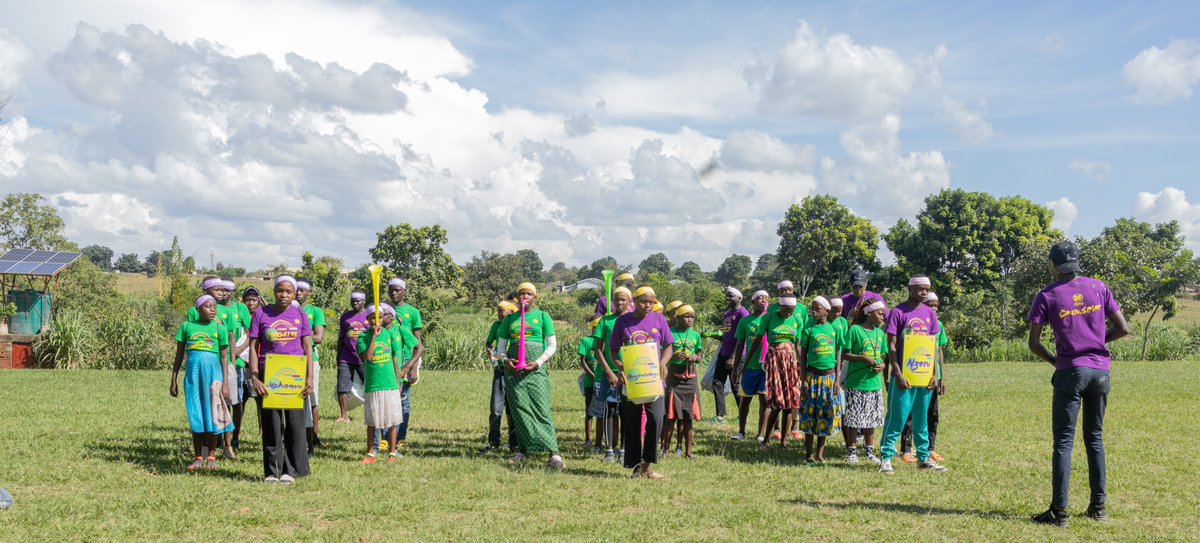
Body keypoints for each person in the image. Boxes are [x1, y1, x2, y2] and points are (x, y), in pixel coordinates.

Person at [1028, 241, 1129, 528]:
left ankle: (1059, 513)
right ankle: (1098, 507)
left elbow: (1034, 344)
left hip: (1070, 372)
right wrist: (1096, 344)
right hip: (1101, 373)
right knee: (1094, 438)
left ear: (1052, 265)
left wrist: (1057, 361)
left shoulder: (1047, 295)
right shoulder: (1099, 287)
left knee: (1063, 442)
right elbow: (1123, 328)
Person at [248, 276, 314, 484]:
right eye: (280, 291)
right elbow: (252, 347)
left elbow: (307, 347)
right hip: (269, 374)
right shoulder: (261, 314)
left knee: (295, 424)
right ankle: (272, 471)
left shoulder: (299, 314)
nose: (284, 295)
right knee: (272, 423)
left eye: (288, 291)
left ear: (294, 294)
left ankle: (292, 470)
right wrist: (255, 377)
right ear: (274, 291)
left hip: (294, 375)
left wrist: (309, 377)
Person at [878, 275, 946, 475]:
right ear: (910, 289)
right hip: (904, 376)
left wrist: (935, 374)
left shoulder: (929, 314)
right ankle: (886, 457)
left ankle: (923, 457)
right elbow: (891, 346)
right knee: (897, 417)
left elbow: (933, 345)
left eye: (926, 289)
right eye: (919, 289)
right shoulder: (898, 312)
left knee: (921, 418)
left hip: (923, 376)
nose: (923, 292)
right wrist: (897, 373)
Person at [494, 283, 565, 469]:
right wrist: (505, 361)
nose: (525, 296)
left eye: (529, 293)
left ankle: (554, 452)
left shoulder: (542, 316)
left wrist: (538, 362)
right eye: (521, 293)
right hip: (514, 373)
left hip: (536, 371)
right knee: (520, 411)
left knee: (541, 410)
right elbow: (501, 347)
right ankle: (524, 450)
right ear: (517, 297)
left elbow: (552, 345)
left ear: (535, 297)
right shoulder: (510, 320)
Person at [608, 286, 674, 479]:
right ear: (634, 301)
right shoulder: (623, 321)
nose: (647, 305)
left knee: (655, 420)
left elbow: (669, 345)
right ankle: (636, 467)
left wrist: (663, 363)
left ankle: (647, 466)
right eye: (643, 301)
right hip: (631, 380)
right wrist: (620, 368)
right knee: (632, 423)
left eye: (651, 302)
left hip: (654, 380)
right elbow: (613, 350)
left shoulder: (659, 319)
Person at [170, 295, 233, 471]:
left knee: (212, 413)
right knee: (195, 413)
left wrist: (225, 383)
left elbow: (223, 357)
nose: (213, 310)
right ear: (197, 310)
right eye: (208, 306)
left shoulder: (220, 328)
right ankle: (198, 456)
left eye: (214, 307)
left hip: (213, 376)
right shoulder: (186, 327)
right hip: (193, 377)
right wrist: (173, 380)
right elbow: (179, 356)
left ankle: (212, 456)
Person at [185, 277, 239, 459]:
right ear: (205, 291)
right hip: (202, 367)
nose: (221, 292)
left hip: (223, 365)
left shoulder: (226, 312)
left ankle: (228, 445)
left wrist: (232, 360)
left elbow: (230, 338)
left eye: (223, 290)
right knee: (205, 405)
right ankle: (208, 448)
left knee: (225, 405)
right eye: (217, 289)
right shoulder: (195, 312)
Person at [357, 306, 412, 464]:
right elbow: (368, 357)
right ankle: (370, 453)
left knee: (393, 419)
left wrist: (397, 380)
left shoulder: (389, 334)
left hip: (390, 383)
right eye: (373, 318)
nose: (376, 321)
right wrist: (373, 338)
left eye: (380, 317)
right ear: (367, 320)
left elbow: (394, 357)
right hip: (373, 384)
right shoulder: (363, 337)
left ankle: (392, 453)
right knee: (372, 420)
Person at [900, 292, 948, 463]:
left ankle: (930, 449)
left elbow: (939, 350)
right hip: (915, 374)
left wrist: (941, 377)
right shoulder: (913, 322)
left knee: (931, 414)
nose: (934, 308)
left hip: (932, 377)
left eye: (936, 305)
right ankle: (906, 449)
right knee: (910, 413)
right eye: (931, 304)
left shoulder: (939, 325)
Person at [839, 299, 888, 465]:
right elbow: (845, 354)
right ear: (869, 312)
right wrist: (863, 359)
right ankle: (852, 451)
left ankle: (869, 451)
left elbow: (883, 358)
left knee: (871, 419)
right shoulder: (854, 330)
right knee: (853, 418)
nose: (883, 316)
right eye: (880, 313)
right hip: (856, 383)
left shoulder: (880, 334)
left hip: (874, 384)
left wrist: (881, 365)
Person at [755, 293, 805, 450]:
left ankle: (784, 441)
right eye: (786, 310)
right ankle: (766, 441)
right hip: (775, 361)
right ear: (780, 306)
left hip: (790, 363)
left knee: (790, 403)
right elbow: (757, 339)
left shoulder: (797, 320)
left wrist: (802, 368)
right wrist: (744, 364)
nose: (788, 314)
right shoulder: (768, 318)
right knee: (776, 403)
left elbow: (798, 345)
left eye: (791, 311)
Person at [798, 296, 843, 464]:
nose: (813, 311)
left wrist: (837, 379)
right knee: (810, 414)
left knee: (826, 413)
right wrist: (803, 380)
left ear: (826, 311)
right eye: (812, 308)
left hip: (829, 378)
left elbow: (838, 355)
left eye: (817, 308)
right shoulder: (808, 330)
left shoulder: (834, 330)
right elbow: (803, 357)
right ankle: (809, 454)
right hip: (812, 378)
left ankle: (820, 454)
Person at [591, 287, 632, 463]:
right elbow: (597, 350)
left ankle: (623, 450)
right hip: (610, 375)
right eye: (617, 300)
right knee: (610, 411)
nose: (620, 302)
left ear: (629, 301)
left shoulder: (632, 321)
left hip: (630, 374)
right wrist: (609, 372)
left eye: (623, 299)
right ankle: (609, 450)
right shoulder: (605, 321)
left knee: (626, 412)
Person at [662, 304, 702, 460]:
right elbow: (662, 354)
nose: (690, 319)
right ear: (677, 318)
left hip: (690, 379)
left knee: (688, 416)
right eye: (686, 316)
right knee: (670, 416)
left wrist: (695, 358)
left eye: (692, 317)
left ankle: (688, 452)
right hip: (674, 378)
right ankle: (665, 450)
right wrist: (673, 357)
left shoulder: (695, 335)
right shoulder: (669, 333)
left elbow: (699, 354)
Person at [387, 278, 423, 450]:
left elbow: (417, 340)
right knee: (389, 398)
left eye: (397, 290)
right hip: (387, 360)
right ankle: (387, 436)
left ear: (403, 291)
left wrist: (413, 367)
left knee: (403, 400)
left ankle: (401, 436)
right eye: (391, 290)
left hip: (407, 361)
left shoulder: (413, 312)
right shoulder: (385, 310)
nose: (394, 293)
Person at [732, 290, 769, 443]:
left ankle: (760, 434)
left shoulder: (770, 320)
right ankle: (741, 431)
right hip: (749, 367)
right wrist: (736, 368)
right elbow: (740, 345)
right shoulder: (745, 322)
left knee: (764, 401)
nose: (764, 301)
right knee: (744, 400)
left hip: (766, 368)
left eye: (766, 299)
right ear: (753, 302)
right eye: (760, 298)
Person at [482, 301, 518, 453]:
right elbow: (489, 342)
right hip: (500, 369)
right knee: (496, 408)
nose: (498, 314)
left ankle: (514, 443)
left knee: (513, 409)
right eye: (498, 312)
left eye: (501, 311)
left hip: (515, 370)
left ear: (510, 312)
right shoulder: (496, 326)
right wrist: (490, 353)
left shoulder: (516, 325)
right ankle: (493, 442)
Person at [296, 279, 327, 453]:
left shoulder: (315, 311)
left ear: (308, 292)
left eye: (302, 290)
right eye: (296, 290)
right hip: (290, 360)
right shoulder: (289, 309)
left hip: (310, 359)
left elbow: (319, 337)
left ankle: (313, 436)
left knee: (312, 399)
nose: (299, 293)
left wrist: (296, 337)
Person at [712, 287, 749, 425]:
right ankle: (720, 416)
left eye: (731, 296)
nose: (727, 298)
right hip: (723, 353)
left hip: (736, 356)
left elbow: (742, 338)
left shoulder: (743, 313)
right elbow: (726, 336)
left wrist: (733, 357)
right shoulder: (727, 314)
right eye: (726, 295)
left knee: (735, 384)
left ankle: (743, 415)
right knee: (717, 382)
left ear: (739, 298)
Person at [237, 286, 265, 446]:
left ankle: (262, 430)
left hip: (258, 362)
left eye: (254, 300)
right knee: (241, 399)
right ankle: (237, 431)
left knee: (260, 400)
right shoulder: (241, 316)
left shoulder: (262, 315)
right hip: (243, 363)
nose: (251, 303)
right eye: (247, 300)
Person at [335, 291, 368, 422]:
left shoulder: (369, 315)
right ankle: (344, 415)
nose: (355, 303)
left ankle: (369, 412)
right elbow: (341, 338)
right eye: (353, 301)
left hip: (363, 358)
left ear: (364, 301)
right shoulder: (346, 317)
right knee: (342, 386)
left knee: (369, 385)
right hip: (346, 357)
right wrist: (338, 357)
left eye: (358, 301)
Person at [577, 316, 601, 453]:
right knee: (590, 411)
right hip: (590, 382)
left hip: (603, 380)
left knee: (603, 412)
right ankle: (588, 439)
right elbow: (582, 360)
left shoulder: (605, 341)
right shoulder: (586, 341)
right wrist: (591, 375)